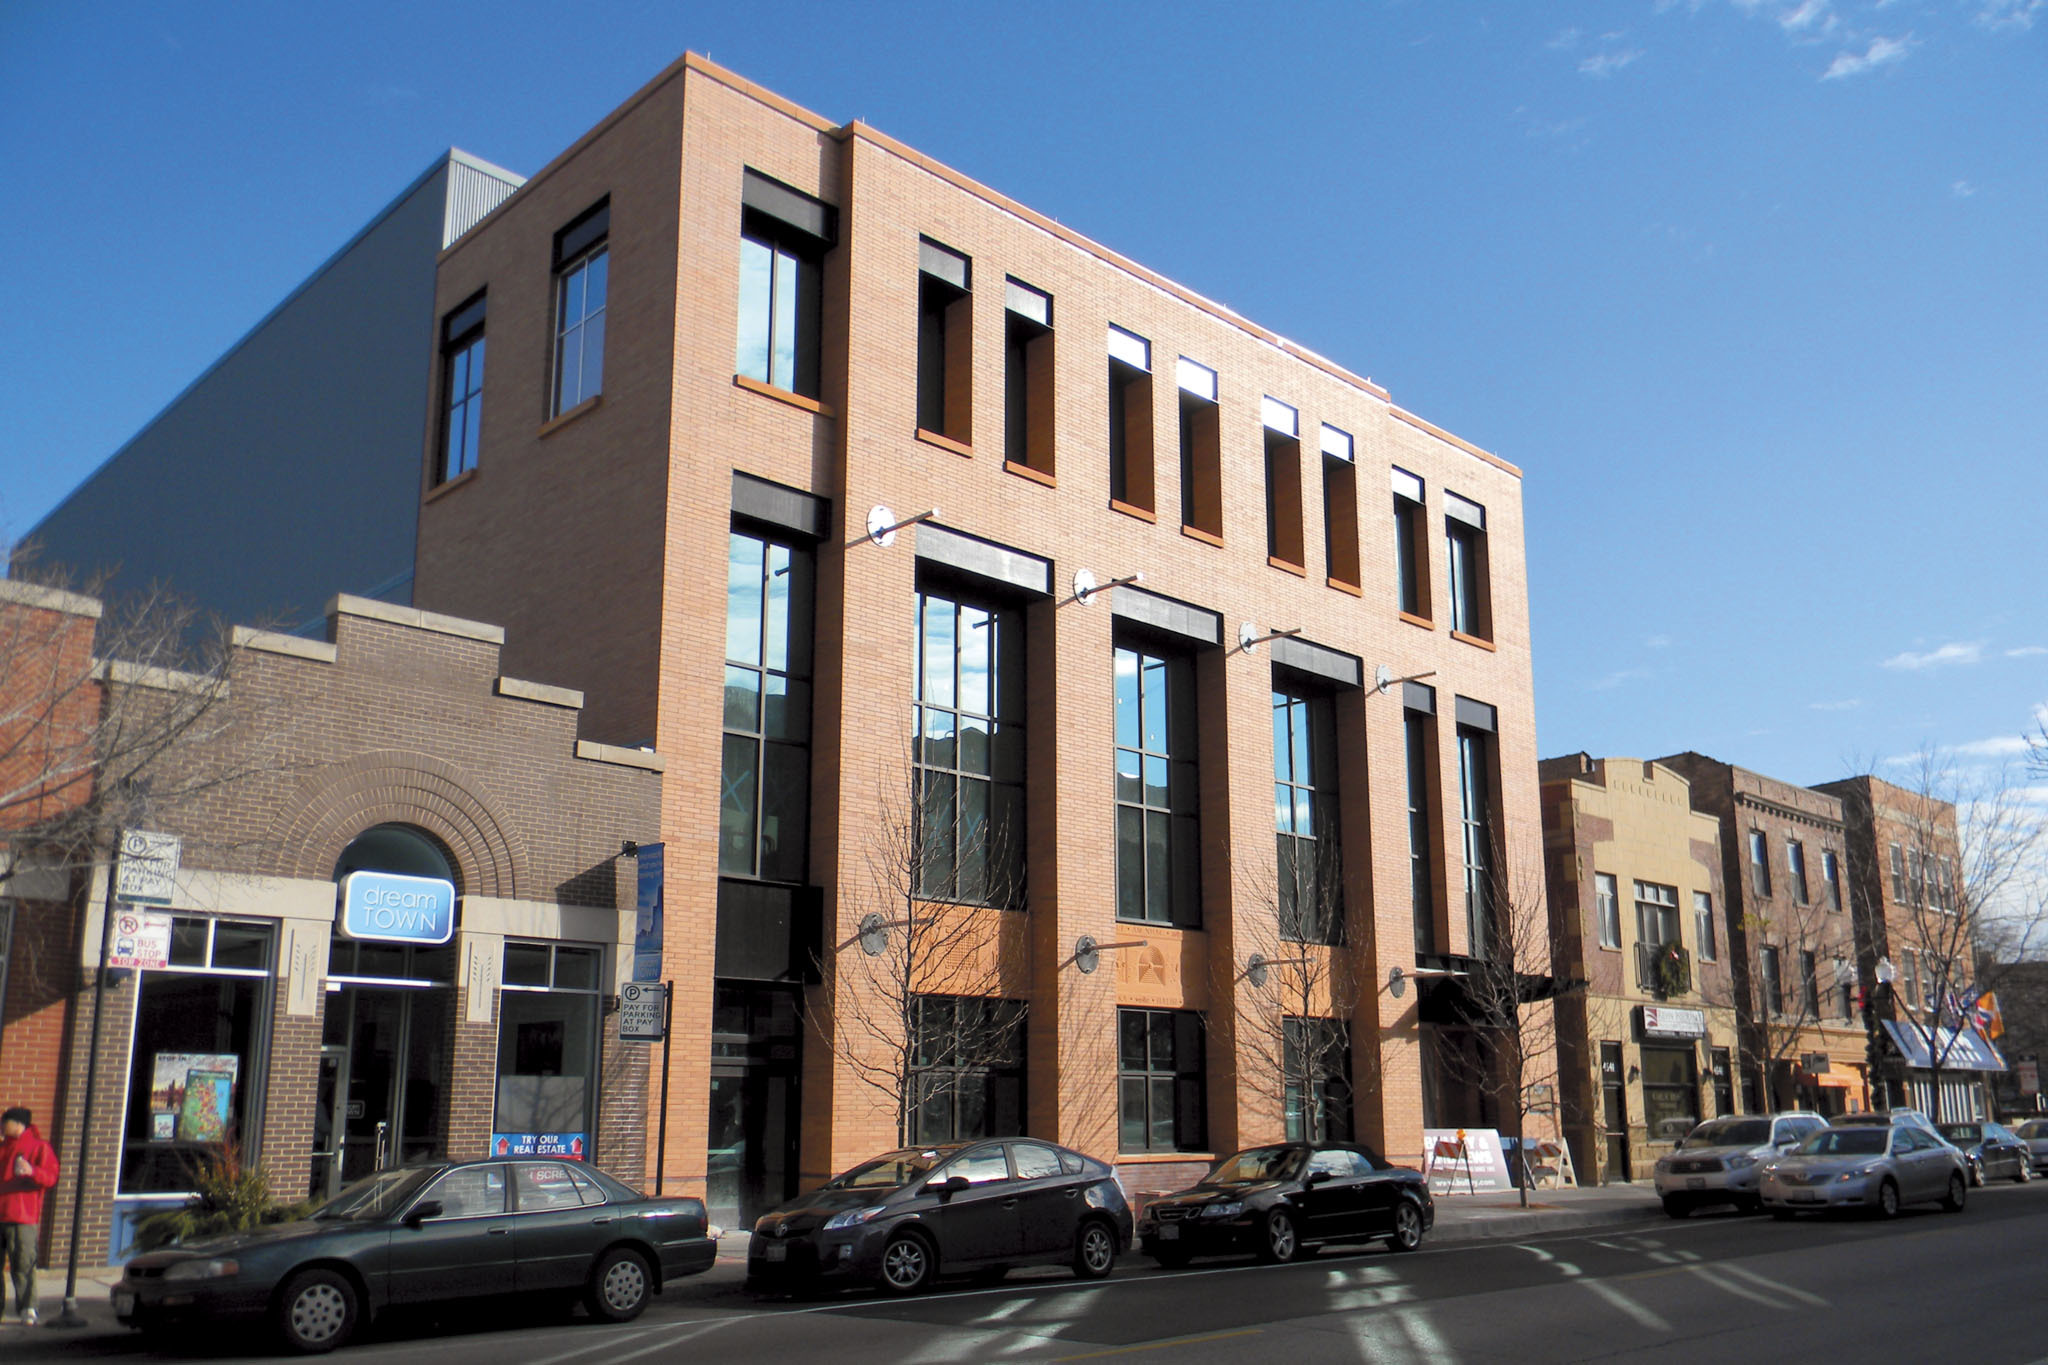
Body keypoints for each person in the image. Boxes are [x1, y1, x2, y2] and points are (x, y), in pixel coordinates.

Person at [0, 1107, 59, 1327]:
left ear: (18, 1124)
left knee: (23, 1264)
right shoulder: (2, 1147)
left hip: (22, 1216)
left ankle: (28, 1307)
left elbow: (51, 1177)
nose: (2, 1126)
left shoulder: (38, 1147)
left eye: (5, 1122)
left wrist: (32, 1171)